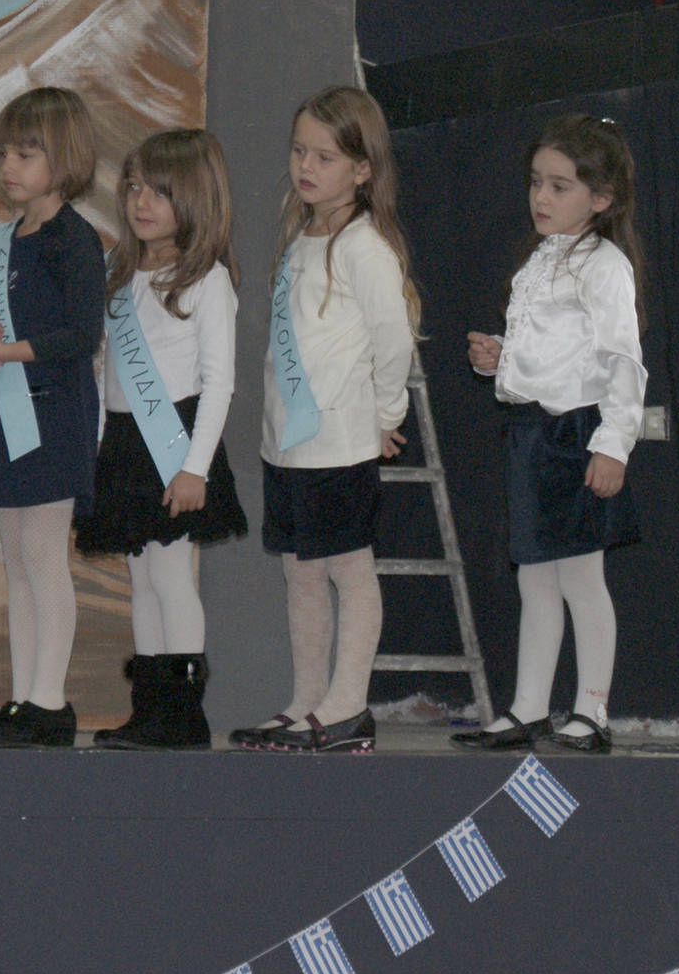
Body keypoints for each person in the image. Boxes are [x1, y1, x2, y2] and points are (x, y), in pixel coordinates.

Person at [233, 85, 420, 755]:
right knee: (301, 572)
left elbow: (393, 337)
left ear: (363, 169)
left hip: (339, 441)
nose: (306, 166)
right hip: (289, 443)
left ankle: (348, 705)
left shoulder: (364, 246)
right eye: (299, 151)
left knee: (348, 566)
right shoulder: (302, 237)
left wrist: (386, 413)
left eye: (325, 157)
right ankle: (307, 701)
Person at [453, 113, 646, 756]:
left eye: (560, 186)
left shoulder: (604, 266)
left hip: (577, 435)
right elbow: (551, 350)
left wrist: (612, 444)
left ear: (602, 198)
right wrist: (497, 357)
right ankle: (529, 708)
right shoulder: (541, 259)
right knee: (534, 579)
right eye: (536, 182)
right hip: (532, 432)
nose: (541, 196)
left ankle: (592, 710)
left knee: (581, 579)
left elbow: (622, 361)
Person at [73, 130, 250, 750]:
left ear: (196, 198)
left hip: (175, 442)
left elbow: (219, 383)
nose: (141, 202)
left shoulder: (207, 280)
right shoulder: (119, 273)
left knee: (172, 577)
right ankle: (149, 711)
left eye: (160, 192)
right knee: (142, 580)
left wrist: (194, 468)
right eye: (134, 187)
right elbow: (106, 372)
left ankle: (183, 714)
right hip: (125, 444)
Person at [0, 87, 107, 749]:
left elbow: (81, 333)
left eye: (25, 155)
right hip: (7, 414)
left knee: (46, 559)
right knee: (17, 563)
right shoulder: (4, 242)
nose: (9, 167)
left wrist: (10, 351)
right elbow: (3, 335)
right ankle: (24, 697)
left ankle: (50, 702)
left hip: (54, 419)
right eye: (4, 155)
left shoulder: (75, 240)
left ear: (64, 157)